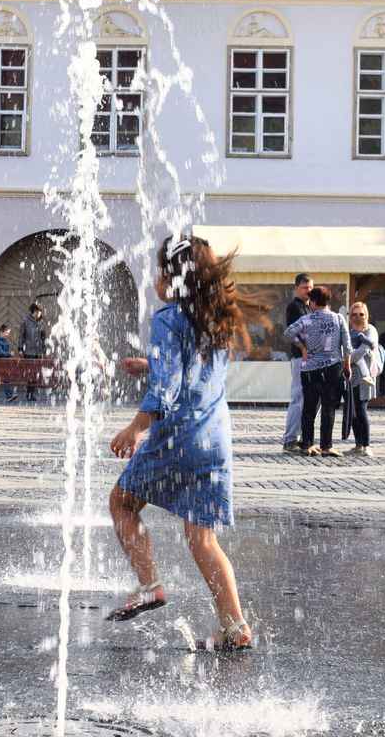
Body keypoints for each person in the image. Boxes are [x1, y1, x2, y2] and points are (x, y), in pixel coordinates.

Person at [105, 234, 265, 651]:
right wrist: (152, 363)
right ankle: (235, 626)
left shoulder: (168, 319)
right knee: (202, 539)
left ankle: (149, 585)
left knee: (122, 503)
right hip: (214, 439)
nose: (156, 279)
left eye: (161, 270)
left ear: (173, 278)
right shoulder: (217, 317)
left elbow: (168, 388)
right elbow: (193, 370)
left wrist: (136, 427)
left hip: (178, 436)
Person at [284, 285, 351, 456]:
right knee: (328, 407)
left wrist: (302, 347)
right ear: (328, 301)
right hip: (332, 367)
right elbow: (347, 345)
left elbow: (288, 333)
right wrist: (347, 365)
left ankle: (307, 444)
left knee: (309, 407)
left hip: (310, 368)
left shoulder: (306, 319)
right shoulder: (338, 318)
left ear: (313, 302)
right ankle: (327, 446)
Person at [345, 302, 383, 457]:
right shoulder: (349, 332)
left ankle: (366, 445)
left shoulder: (370, 330)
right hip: (351, 376)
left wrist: (347, 359)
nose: (358, 317)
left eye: (361, 314)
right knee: (353, 411)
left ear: (366, 315)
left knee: (361, 409)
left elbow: (362, 351)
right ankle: (358, 444)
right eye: (354, 314)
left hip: (365, 377)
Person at [282, 274, 313, 454]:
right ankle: (290, 439)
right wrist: (303, 348)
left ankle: (301, 436)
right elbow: (291, 333)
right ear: (296, 288)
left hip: (310, 359)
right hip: (300, 358)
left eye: (310, 287)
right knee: (298, 398)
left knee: (308, 399)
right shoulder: (294, 307)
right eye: (305, 287)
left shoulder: (309, 307)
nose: (308, 291)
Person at [19, 302, 47, 402]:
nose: (40, 313)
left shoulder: (41, 322)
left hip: (38, 352)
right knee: (30, 373)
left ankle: (33, 393)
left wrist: (44, 349)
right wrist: (20, 348)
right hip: (29, 352)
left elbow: (43, 338)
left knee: (36, 373)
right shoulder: (25, 321)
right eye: (39, 311)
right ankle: (29, 393)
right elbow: (21, 336)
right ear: (35, 311)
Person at [0, 323, 19, 404]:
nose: (8, 334)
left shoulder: (5, 341)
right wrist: (9, 354)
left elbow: (5, 354)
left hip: (4, 364)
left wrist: (9, 357)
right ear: (2, 332)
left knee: (5, 379)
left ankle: (9, 396)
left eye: (8, 332)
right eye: (7, 332)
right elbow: (0, 352)